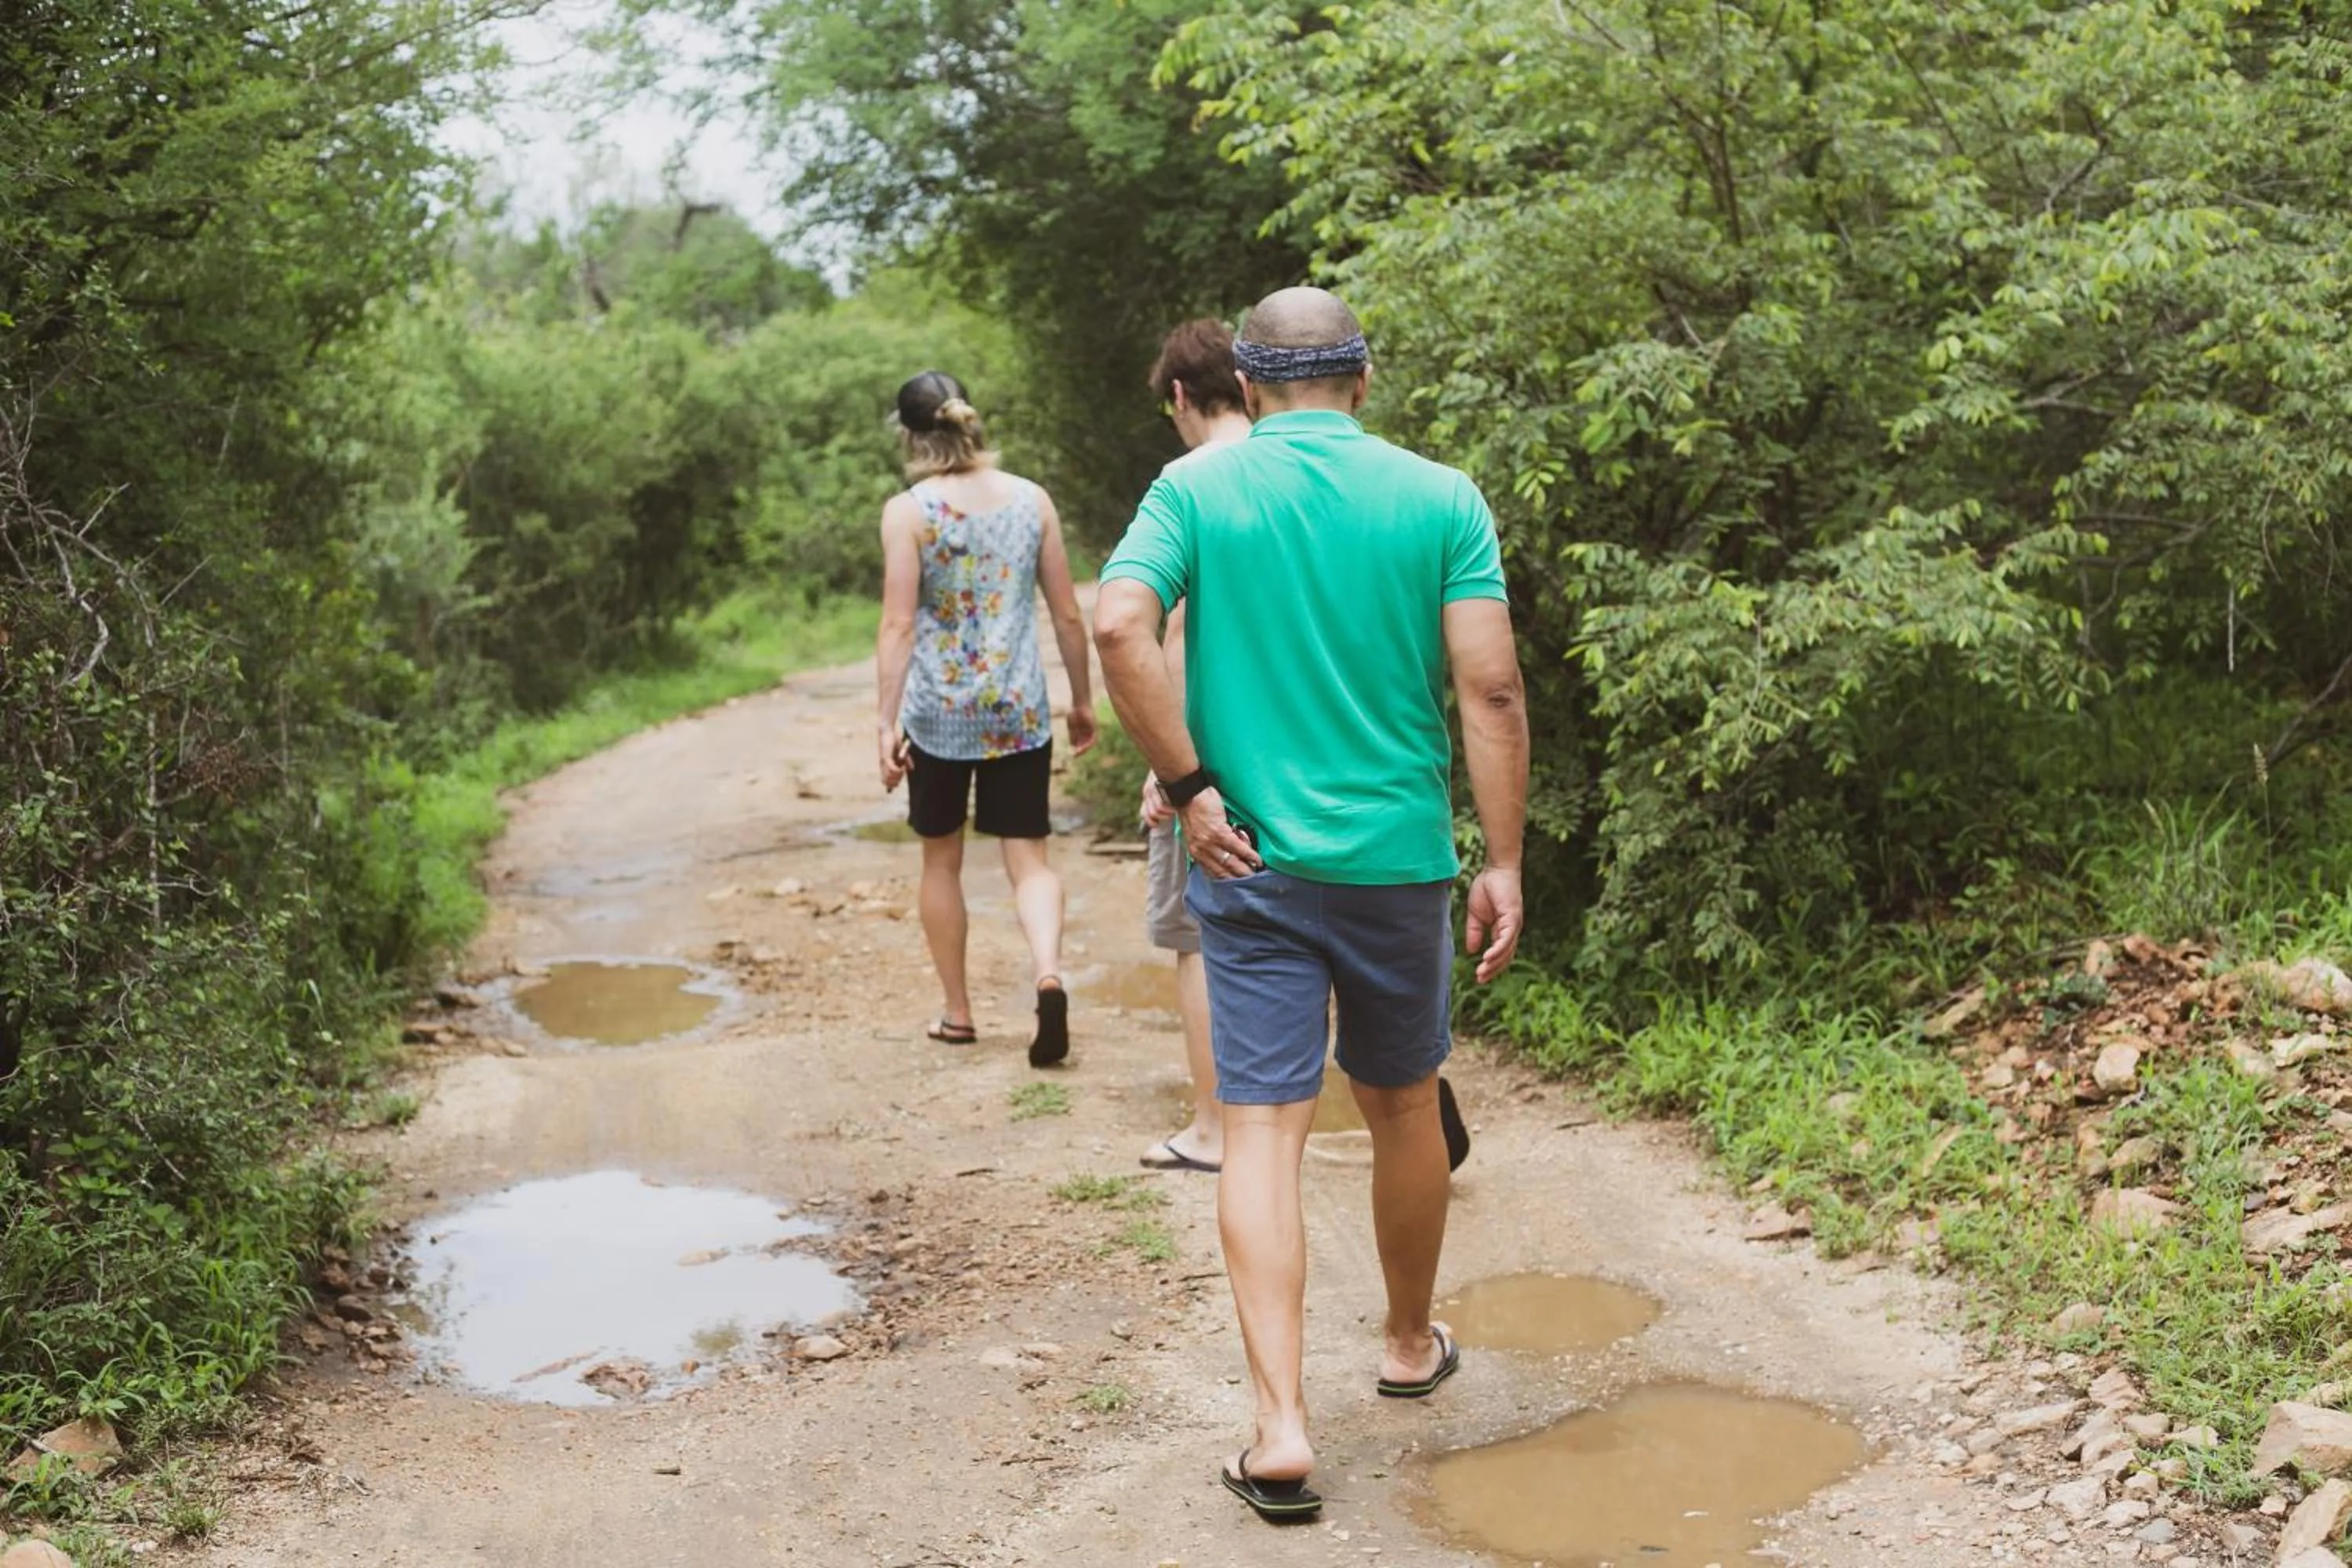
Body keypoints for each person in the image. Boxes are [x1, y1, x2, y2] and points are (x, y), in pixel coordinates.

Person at [1093, 289, 1529, 1525]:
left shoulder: (1195, 492)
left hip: (1250, 862)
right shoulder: (1440, 497)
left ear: (1246, 383)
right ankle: (1407, 1344)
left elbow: (1119, 625)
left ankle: (1280, 1428)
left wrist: (1190, 787)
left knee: (1263, 1130)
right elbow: (1491, 691)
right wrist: (1502, 859)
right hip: (1398, 860)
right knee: (1403, 1106)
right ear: (1365, 381)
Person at [874, 371, 1097, 1068]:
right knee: (1029, 860)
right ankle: (1048, 974)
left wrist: (884, 723)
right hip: (1016, 711)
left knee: (941, 859)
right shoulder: (1032, 500)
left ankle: (959, 1014)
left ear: (910, 435)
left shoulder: (909, 512)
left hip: (937, 716)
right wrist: (1082, 700)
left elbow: (898, 624)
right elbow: (1066, 613)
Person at [1134, 320, 1253, 1175]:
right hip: (1314, 746)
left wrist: (1168, 764)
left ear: (1180, 395)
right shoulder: (1302, 471)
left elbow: (1165, 629)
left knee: (1198, 937)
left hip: (1214, 753)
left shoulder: (1191, 483)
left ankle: (1214, 1127)